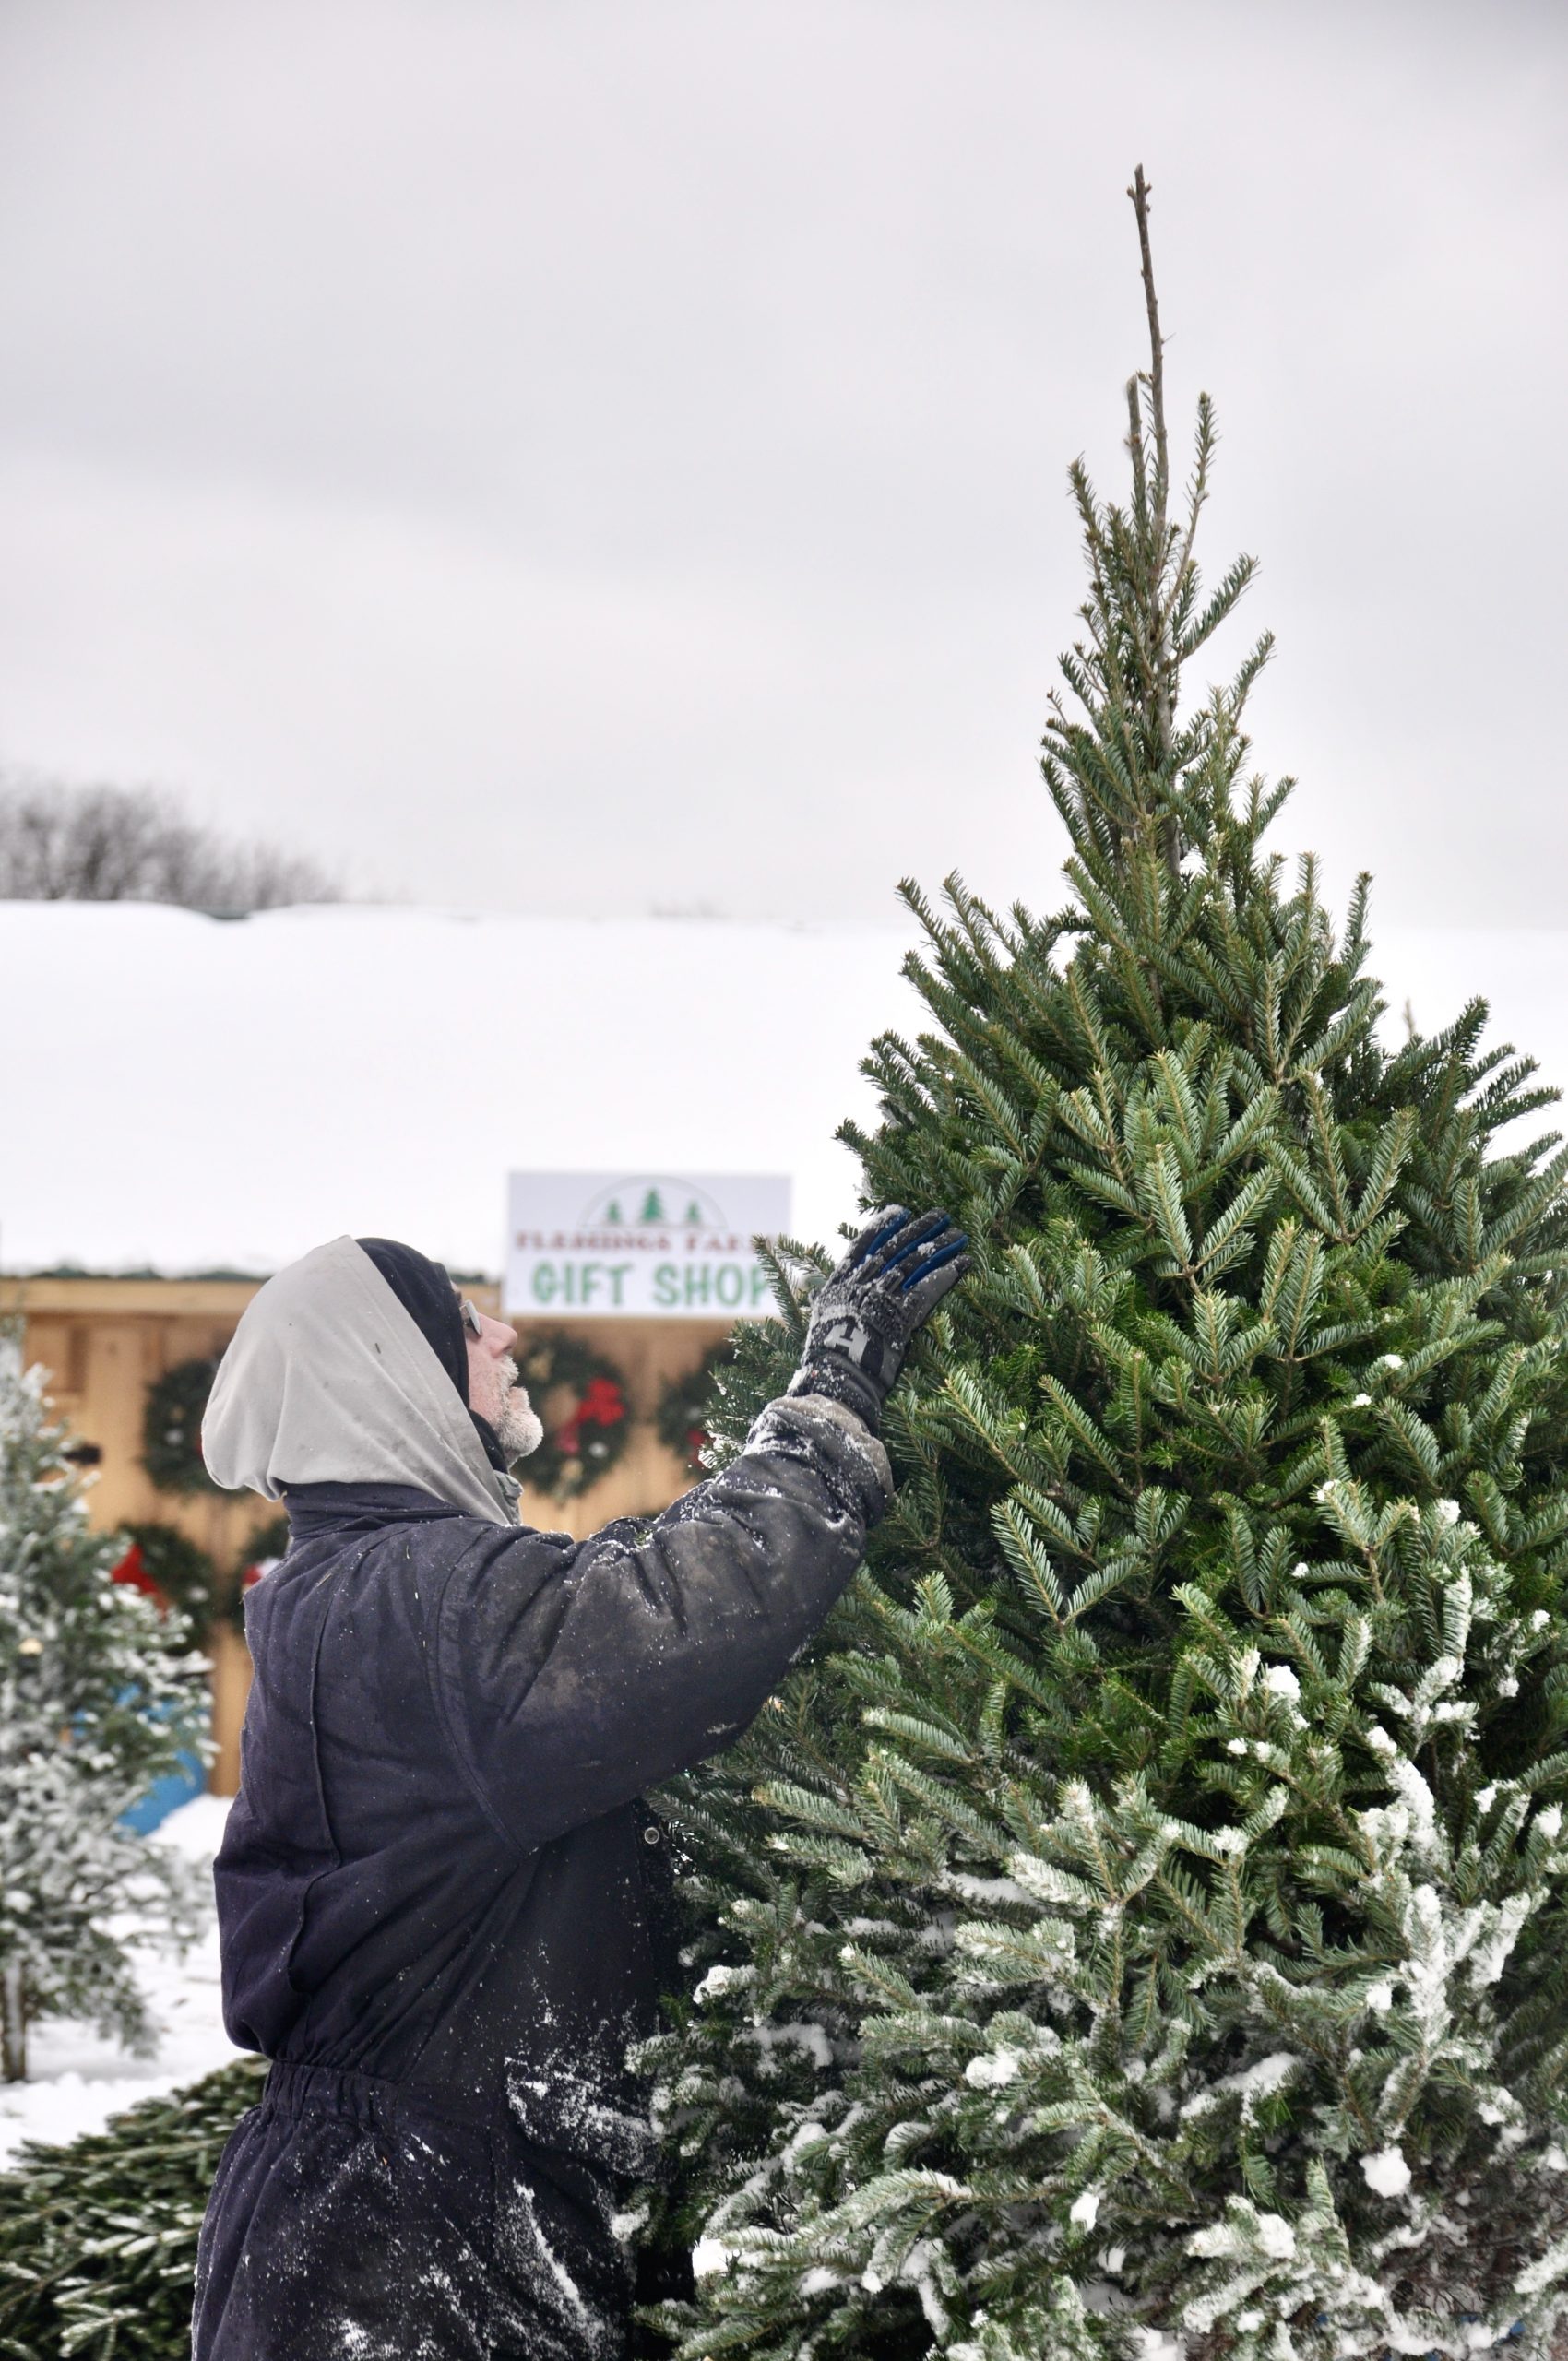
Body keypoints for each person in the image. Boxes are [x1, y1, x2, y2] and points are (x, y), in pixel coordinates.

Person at [191, 1207, 968, 2360]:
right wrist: (827, 1403)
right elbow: (674, 1622)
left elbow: (600, 1589)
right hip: (407, 2251)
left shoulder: (378, 1583)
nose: (503, 1334)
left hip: (388, 2212)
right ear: (384, 1376)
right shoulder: (410, 1596)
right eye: (461, 1325)